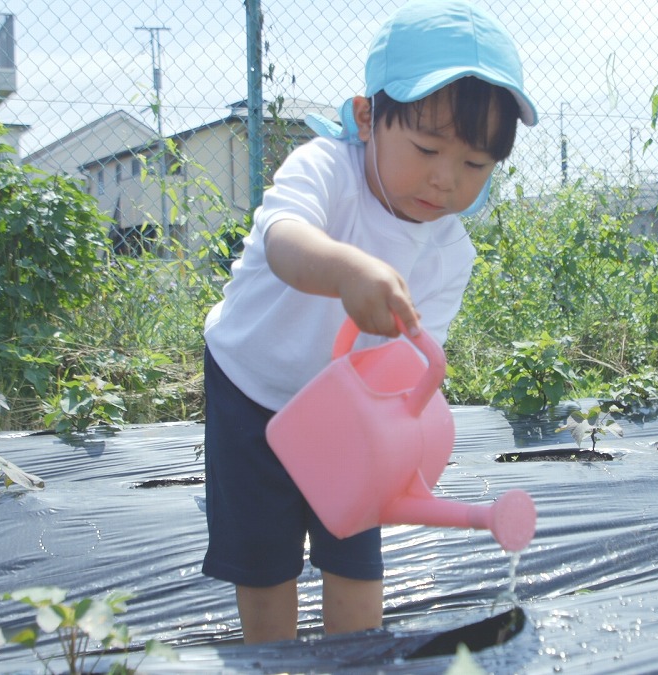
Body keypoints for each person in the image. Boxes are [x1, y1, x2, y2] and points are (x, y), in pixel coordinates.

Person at [201, 0, 538, 644]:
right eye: (427, 147)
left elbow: (407, 368)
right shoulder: (326, 170)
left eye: (474, 165)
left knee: (355, 554)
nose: (444, 179)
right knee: (265, 564)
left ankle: (354, 659)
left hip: (345, 416)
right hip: (253, 386)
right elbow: (283, 238)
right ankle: (269, 659)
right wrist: (348, 271)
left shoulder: (447, 251)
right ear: (366, 117)